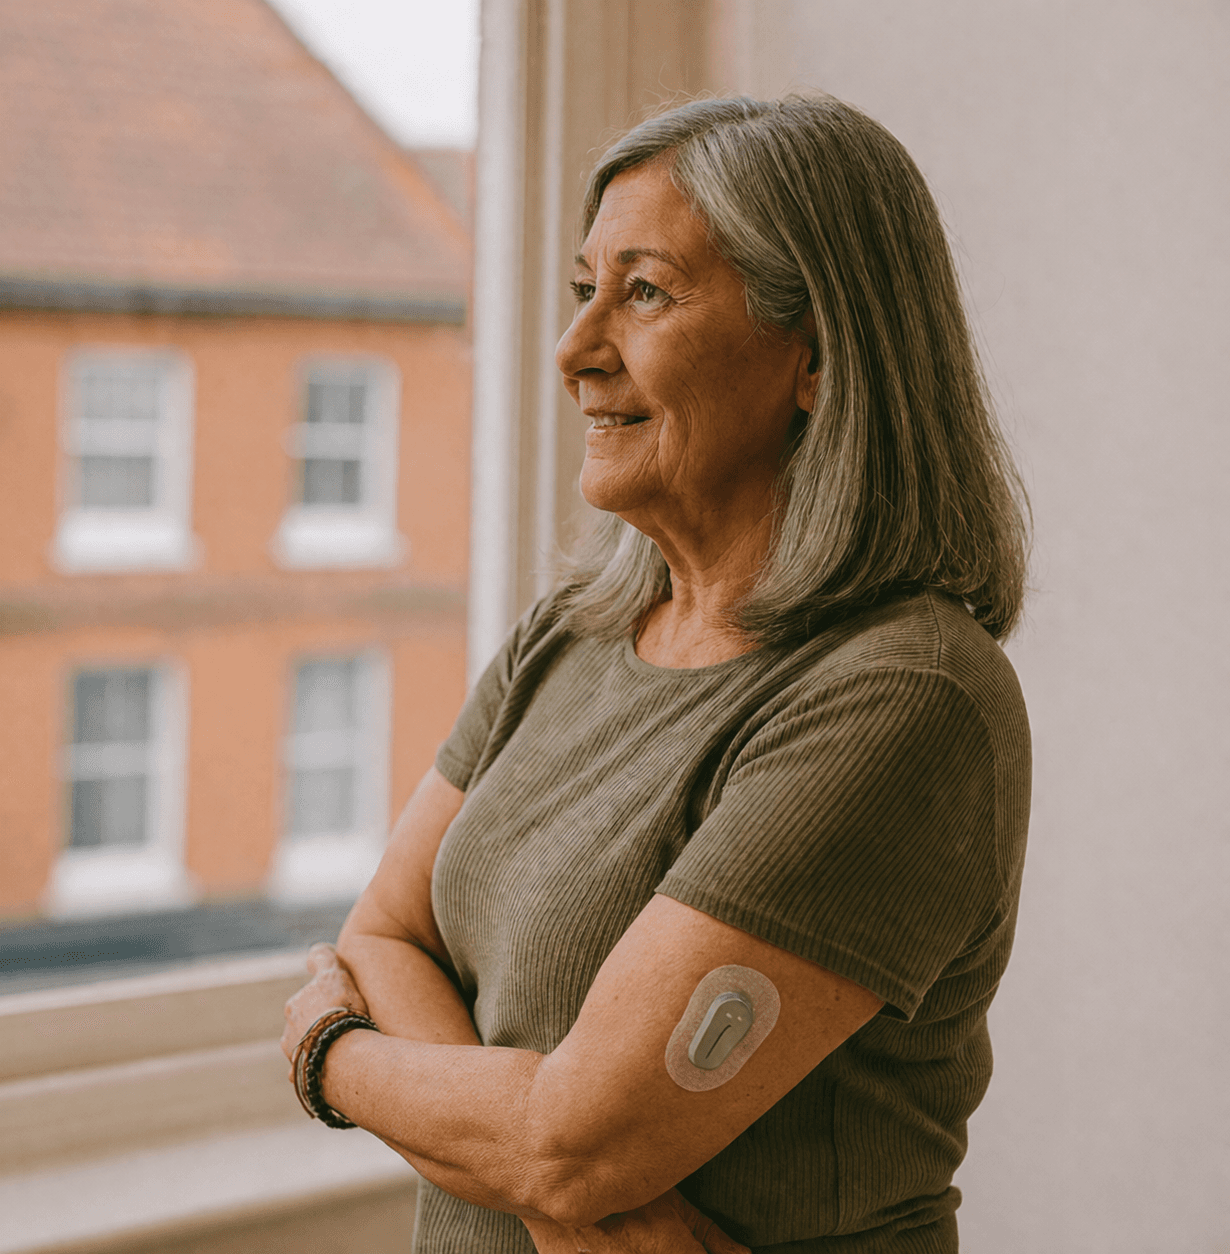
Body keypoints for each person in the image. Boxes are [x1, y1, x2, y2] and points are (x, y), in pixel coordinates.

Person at [281, 92, 1031, 1254]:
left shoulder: (902, 698)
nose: (578, 353)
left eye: (643, 292)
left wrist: (332, 1059)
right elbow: (386, 936)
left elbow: (574, 1141)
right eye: (587, 289)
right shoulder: (571, 630)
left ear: (819, 356)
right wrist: (548, 1171)